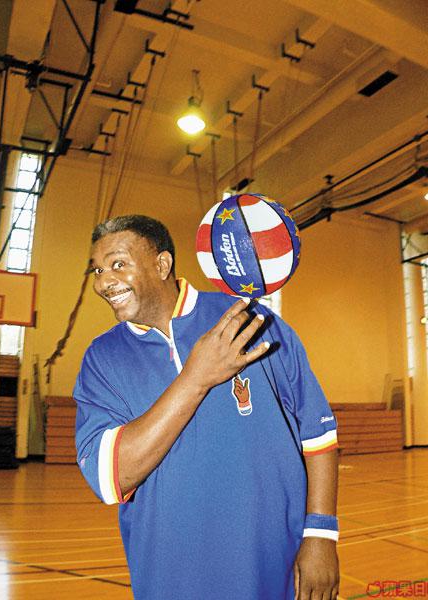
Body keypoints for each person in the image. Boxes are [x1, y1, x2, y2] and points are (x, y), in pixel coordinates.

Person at [74, 214, 340, 600]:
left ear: (161, 264)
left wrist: (321, 535)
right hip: (169, 575)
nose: (103, 282)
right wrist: (195, 378)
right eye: (97, 270)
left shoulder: (251, 321)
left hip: (272, 564)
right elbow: (110, 477)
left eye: (118, 264)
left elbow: (317, 435)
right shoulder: (102, 357)